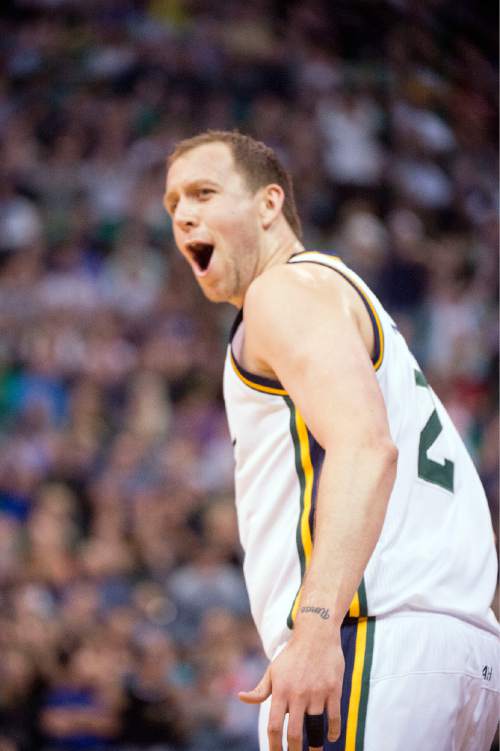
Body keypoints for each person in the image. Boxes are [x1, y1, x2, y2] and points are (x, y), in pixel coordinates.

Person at [164, 130, 499, 751]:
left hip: (373, 639)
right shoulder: (348, 303)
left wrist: (316, 628)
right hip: (461, 652)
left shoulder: (284, 290)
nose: (184, 214)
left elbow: (366, 449)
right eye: (174, 203)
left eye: (204, 192)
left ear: (269, 205)